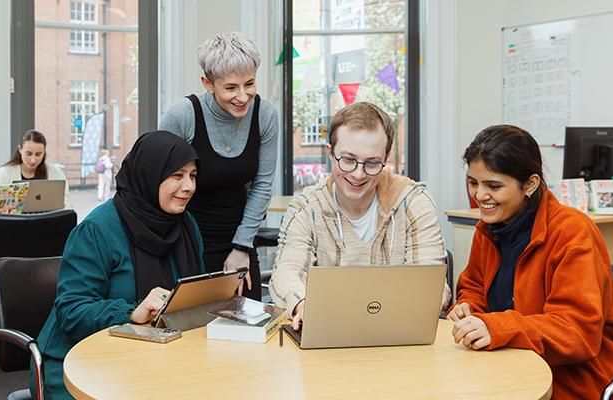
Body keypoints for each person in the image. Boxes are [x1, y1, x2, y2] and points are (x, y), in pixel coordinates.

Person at [449, 124, 613, 399]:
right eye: (473, 182)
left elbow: (576, 333)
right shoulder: (488, 230)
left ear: (530, 184)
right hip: (509, 368)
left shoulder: (572, 232)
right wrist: (468, 308)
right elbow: (474, 286)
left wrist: (498, 327)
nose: (479, 195)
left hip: (578, 381)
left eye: (493, 186)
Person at [34, 131, 204, 399]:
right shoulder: (97, 229)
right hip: (78, 366)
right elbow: (72, 310)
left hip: (156, 360)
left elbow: (191, 298)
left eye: (193, 176)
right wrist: (132, 313)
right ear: (149, 174)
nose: (189, 186)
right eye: (177, 175)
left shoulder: (186, 225)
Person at [270, 102, 451, 331]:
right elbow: (286, 274)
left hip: (399, 338)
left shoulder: (414, 202)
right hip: (328, 339)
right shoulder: (307, 208)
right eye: (347, 159)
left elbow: (432, 288)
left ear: (386, 159)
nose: (358, 174)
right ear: (330, 153)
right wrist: (303, 304)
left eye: (372, 163)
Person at [159, 32, 279, 300]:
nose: (243, 96)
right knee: (192, 329)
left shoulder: (266, 115)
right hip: (185, 238)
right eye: (230, 88)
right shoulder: (182, 116)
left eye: (249, 84)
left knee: (247, 326)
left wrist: (241, 247)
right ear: (208, 83)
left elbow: (262, 185)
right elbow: (158, 182)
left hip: (240, 238)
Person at [0, 129, 71, 211]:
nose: (33, 160)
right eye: (29, 154)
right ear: (20, 150)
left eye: (38, 154)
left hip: (46, 225)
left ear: (44, 153)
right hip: (13, 226)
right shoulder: (4, 173)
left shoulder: (56, 173)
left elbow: (67, 207)